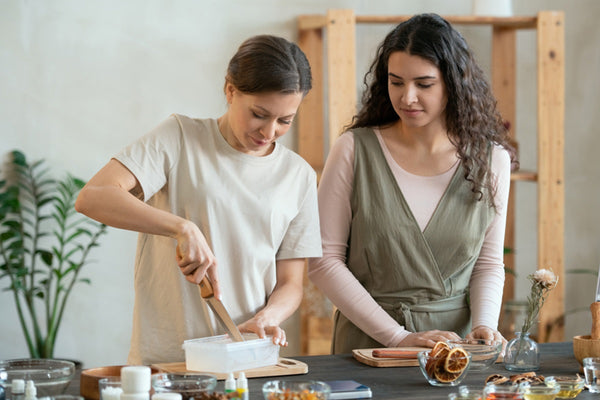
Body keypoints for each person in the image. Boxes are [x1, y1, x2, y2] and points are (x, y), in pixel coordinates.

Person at [75, 35, 322, 364]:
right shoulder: (180, 137)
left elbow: (292, 282)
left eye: (284, 121)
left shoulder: (298, 175)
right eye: (259, 114)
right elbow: (94, 196)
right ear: (230, 90)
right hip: (167, 359)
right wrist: (181, 227)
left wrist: (269, 318)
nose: (269, 131)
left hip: (245, 357)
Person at [308, 13, 517, 354]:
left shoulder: (492, 160)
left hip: (455, 349)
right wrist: (397, 337)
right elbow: (323, 261)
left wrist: (484, 325)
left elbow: (488, 263)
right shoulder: (354, 149)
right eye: (396, 82)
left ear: (453, 82)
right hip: (370, 346)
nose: (407, 98)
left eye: (424, 84)